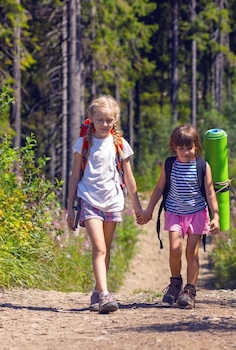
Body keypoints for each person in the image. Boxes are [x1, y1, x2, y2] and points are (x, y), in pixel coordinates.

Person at [67, 95, 144, 314]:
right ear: (90, 118)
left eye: (109, 120)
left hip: (113, 202)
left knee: (105, 249)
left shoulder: (120, 144)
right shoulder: (82, 144)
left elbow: (129, 178)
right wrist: (70, 208)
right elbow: (74, 176)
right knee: (99, 248)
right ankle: (104, 296)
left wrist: (138, 207)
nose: (104, 124)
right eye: (100, 120)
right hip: (89, 200)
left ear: (115, 121)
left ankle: (97, 290)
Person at [141, 124, 220, 309]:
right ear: (174, 147)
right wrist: (149, 210)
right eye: (181, 147)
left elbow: (210, 193)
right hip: (174, 213)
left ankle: (190, 290)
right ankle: (175, 283)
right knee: (175, 249)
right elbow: (160, 188)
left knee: (191, 252)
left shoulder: (202, 166)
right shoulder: (169, 164)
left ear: (196, 146)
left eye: (189, 147)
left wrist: (215, 216)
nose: (185, 151)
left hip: (198, 214)